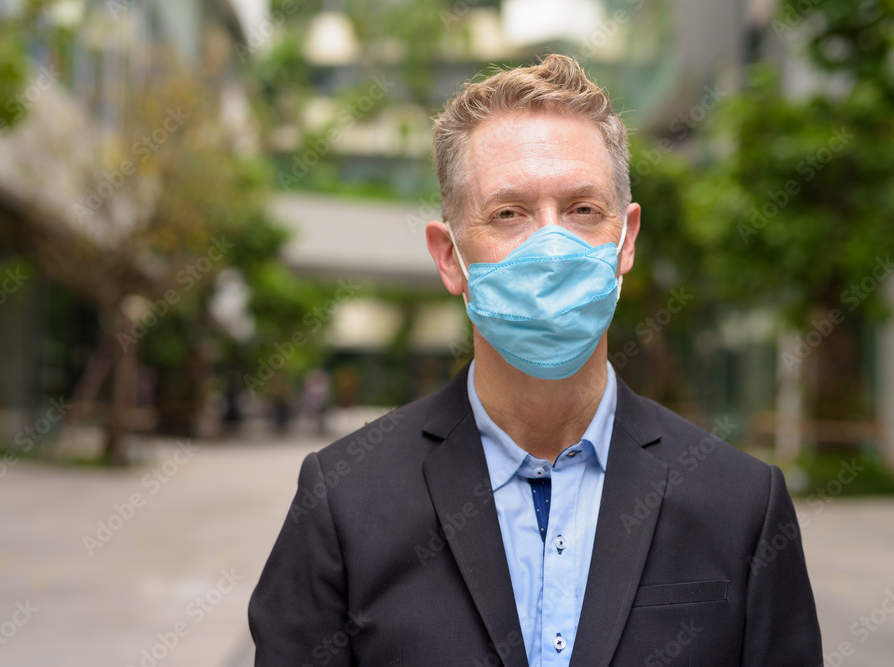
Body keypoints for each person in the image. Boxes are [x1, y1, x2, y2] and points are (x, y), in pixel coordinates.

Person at [249, 54, 822, 666]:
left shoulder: (739, 504)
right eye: (508, 214)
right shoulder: (343, 503)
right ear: (448, 257)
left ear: (625, 240)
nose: (553, 249)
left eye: (582, 210)